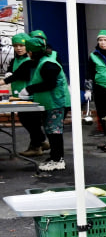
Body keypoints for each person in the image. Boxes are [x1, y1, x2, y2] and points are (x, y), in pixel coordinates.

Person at [21, 31, 70, 172]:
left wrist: (30, 89)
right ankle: (54, 157)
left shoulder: (48, 64)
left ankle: (57, 160)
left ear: (32, 52)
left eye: (28, 51)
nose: (28, 54)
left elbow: (50, 84)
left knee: (54, 131)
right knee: (51, 130)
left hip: (55, 103)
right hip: (49, 103)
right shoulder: (42, 62)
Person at [4, 33, 48, 157]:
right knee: (25, 119)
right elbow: (11, 70)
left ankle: (36, 145)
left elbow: (21, 74)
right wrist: (8, 73)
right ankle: (41, 141)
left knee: (31, 120)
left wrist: (7, 79)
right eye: (16, 46)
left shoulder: (31, 60)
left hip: (29, 94)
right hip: (18, 95)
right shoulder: (14, 59)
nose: (19, 48)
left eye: (21, 45)